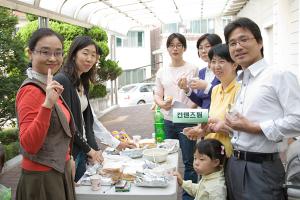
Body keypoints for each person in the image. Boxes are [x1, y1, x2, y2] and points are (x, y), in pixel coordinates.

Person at [213, 17, 300, 200]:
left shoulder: (278, 76)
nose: (237, 47)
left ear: (260, 42)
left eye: (244, 40)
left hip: (261, 167)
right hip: (234, 163)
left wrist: (255, 128)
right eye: (232, 43)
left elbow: (297, 119)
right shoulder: (243, 81)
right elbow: (242, 128)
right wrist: (224, 126)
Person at [54, 36, 135, 182]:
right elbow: (68, 124)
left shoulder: (82, 82)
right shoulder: (62, 80)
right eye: (85, 53)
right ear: (73, 54)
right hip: (70, 153)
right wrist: (90, 150)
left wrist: (112, 145)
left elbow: (90, 120)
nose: (90, 59)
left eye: (93, 55)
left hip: (82, 150)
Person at [15, 28, 76, 199]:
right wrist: (47, 104)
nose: (52, 58)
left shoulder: (48, 85)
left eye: (58, 53)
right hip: (42, 180)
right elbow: (29, 144)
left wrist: (68, 157)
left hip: (58, 172)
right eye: (45, 52)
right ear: (30, 53)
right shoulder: (30, 91)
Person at [154, 33, 198, 200]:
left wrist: (186, 110)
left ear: (184, 48)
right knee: (167, 159)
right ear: (167, 48)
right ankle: (166, 193)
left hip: (187, 118)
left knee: (190, 162)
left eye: (179, 45)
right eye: (172, 45)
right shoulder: (161, 72)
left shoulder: (192, 68)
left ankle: (188, 196)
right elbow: (158, 95)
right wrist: (162, 103)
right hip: (167, 120)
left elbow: (197, 95)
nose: (175, 48)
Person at [183, 44, 240, 157]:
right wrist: (200, 130)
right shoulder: (215, 90)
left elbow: (240, 130)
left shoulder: (240, 89)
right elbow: (214, 123)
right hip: (211, 153)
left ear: (234, 65)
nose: (216, 66)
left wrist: (213, 128)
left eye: (221, 61)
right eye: (213, 62)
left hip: (228, 155)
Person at [178, 33, 222, 109]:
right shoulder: (201, 72)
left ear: (218, 47)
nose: (203, 51)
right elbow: (201, 102)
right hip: (205, 119)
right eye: (200, 48)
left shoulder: (224, 70)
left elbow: (226, 96)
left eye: (207, 46)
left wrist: (206, 87)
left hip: (219, 119)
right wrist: (186, 89)